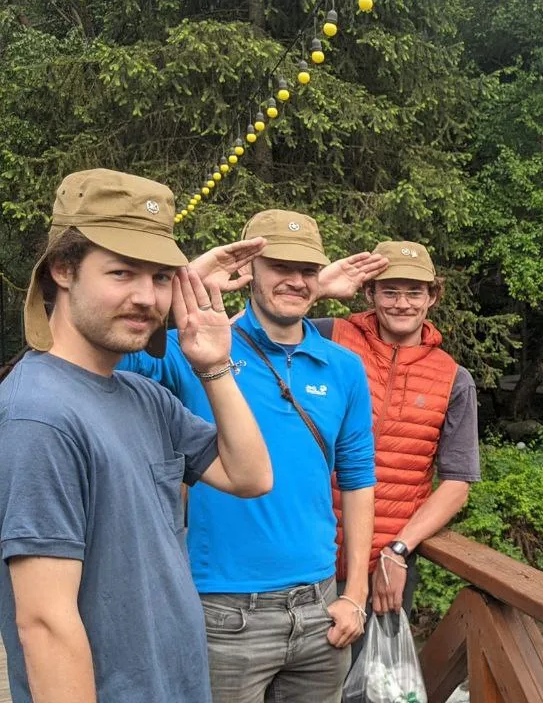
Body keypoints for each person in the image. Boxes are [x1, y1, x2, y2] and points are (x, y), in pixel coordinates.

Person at [0, 169, 271, 702]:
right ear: (63, 270)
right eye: (122, 273)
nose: (147, 298)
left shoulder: (142, 397)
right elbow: (45, 622)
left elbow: (251, 475)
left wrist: (214, 364)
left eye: (161, 277)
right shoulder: (38, 415)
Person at [120, 210, 376, 702]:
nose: (296, 281)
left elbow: (358, 478)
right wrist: (184, 282)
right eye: (279, 266)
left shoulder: (344, 366)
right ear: (249, 270)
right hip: (222, 610)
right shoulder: (196, 348)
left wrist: (355, 594)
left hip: (322, 608)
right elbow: (111, 355)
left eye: (307, 271)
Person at [314, 241, 480, 661]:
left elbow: (457, 483)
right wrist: (316, 289)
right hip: (301, 554)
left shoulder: (453, 378)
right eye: (390, 291)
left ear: (433, 296)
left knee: (373, 688)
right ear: (369, 293)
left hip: (382, 571)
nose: (402, 303)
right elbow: (243, 335)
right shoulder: (329, 336)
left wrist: (399, 549)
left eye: (414, 292)